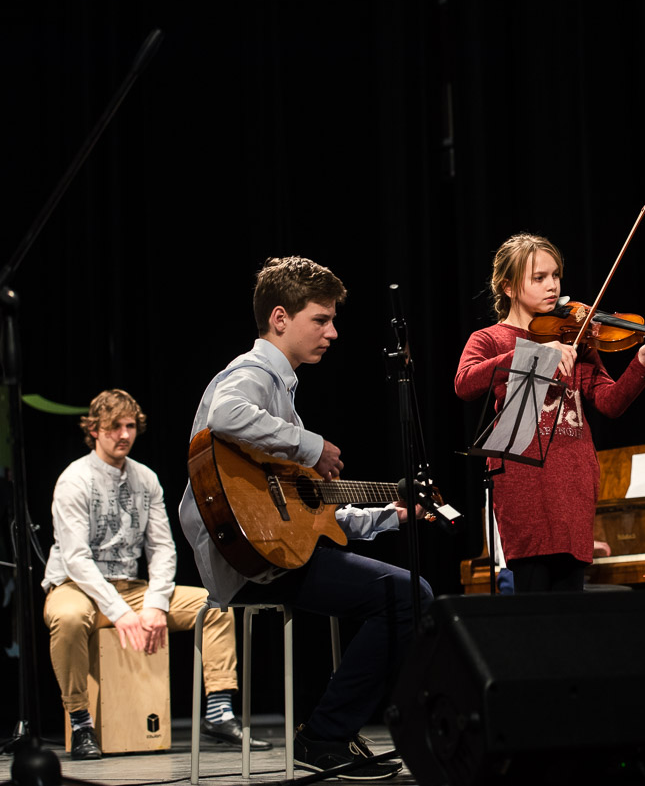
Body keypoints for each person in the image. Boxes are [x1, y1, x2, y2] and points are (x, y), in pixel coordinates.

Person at [177, 256, 431, 780]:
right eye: (321, 319)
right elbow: (225, 415)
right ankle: (324, 734)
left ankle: (332, 729)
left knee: (405, 592)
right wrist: (311, 444)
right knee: (409, 598)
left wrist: (391, 513)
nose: (333, 332)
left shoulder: (283, 397)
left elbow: (316, 513)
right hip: (248, 562)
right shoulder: (251, 374)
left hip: (276, 551)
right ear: (279, 319)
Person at [42, 389, 263, 761]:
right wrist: (120, 611)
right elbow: (77, 558)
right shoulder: (74, 479)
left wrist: (156, 604)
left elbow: (162, 548)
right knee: (67, 618)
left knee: (216, 606)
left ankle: (220, 712)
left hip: (131, 587)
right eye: (114, 427)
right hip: (76, 586)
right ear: (94, 430)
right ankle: (81, 721)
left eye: (130, 426)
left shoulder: (145, 478)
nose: (124, 434)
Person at [454, 233, 645, 592]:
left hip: (574, 477)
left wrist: (643, 361)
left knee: (571, 605)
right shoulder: (489, 339)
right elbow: (464, 383)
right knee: (535, 604)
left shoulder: (576, 335)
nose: (552, 286)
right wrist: (532, 354)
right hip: (524, 480)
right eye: (538, 278)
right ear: (508, 287)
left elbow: (610, 402)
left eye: (555, 275)